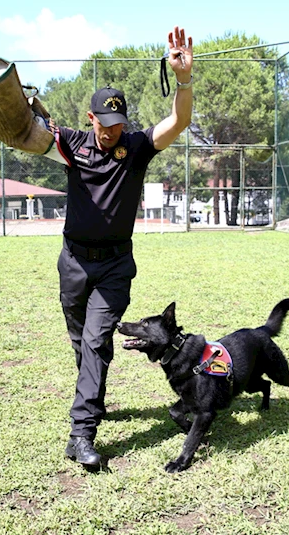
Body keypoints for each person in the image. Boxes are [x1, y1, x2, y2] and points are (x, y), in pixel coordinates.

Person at [54, 26, 194, 467]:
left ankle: (81, 435)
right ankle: (90, 392)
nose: (113, 132)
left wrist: (184, 81)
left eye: (120, 124)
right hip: (73, 263)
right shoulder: (73, 144)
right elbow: (29, 136)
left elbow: (179, 122)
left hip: (115, 266)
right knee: (83, 343)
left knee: (97, 340)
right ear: (91, 117)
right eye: (105, 123)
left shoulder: (135, 147)